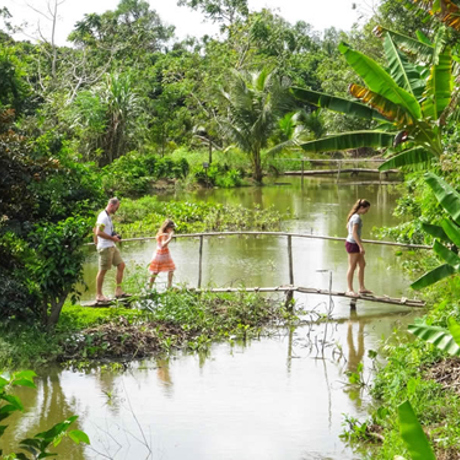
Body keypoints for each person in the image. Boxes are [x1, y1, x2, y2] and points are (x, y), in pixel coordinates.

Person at [95, 197, 129, 302]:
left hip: (111, 246)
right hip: (105, 247)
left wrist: (114, 236)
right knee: (102, 271)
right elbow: (98, 232)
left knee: (121, 265)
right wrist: (111, 238)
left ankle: (118, 291)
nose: (117, 209)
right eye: (117, 207)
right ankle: (99, 295)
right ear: (111, 205)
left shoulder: (107, 216)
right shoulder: (103, 217)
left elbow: (101, 230)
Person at [345, 198, 372, 297]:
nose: (366, 212)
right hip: (353, 244)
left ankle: (361, 288)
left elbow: (348, 228)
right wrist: (361, 246)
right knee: (352, 266)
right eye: (366, 209)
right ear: (361, 207)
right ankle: (349, 289)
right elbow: (354, 233)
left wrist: (359, 240)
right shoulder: (356, 218)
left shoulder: (353, 216)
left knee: (362, 264)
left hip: (354, 242)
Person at [148, 219, 176, 289]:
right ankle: (169, 286)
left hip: (158, 253)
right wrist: (170, 237)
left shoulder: (159, 233)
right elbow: (163, 244)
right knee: (171, 269)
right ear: (167, 228)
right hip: (163, 254)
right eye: (171, 228)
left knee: (155, 271)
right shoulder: (165, 235)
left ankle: (149, 287)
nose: (172, 230)